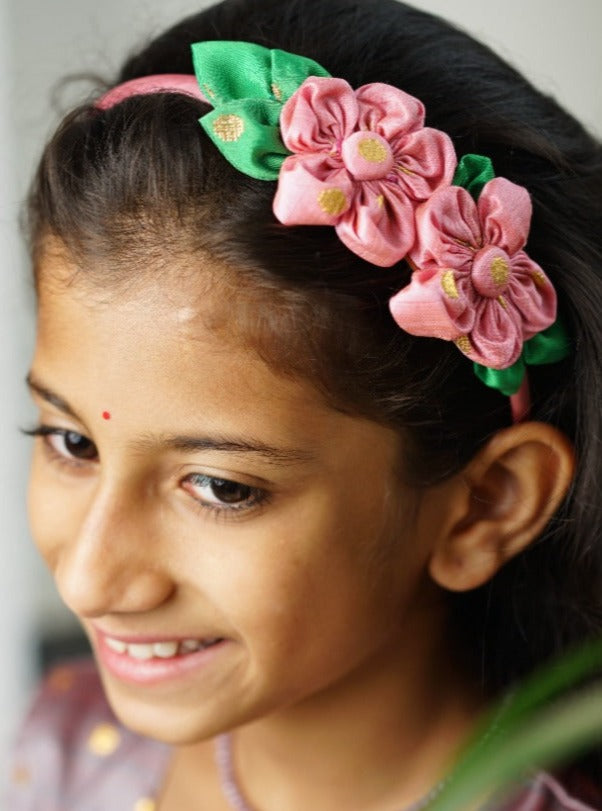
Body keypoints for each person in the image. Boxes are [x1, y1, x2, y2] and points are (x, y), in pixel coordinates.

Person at [6, 0, 602, 808]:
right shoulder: (63, 750)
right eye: (72, 441)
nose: (88, 578)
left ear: (485, 506)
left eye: (222, 486)